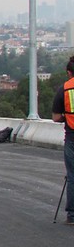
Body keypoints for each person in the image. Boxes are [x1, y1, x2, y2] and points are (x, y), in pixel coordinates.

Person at [51, 56, 74, 225]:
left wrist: (67, 117)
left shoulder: (64, 89)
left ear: (68, 72)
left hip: (72, 138)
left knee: (72, 176)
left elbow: (56, 117)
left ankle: (72, 215)